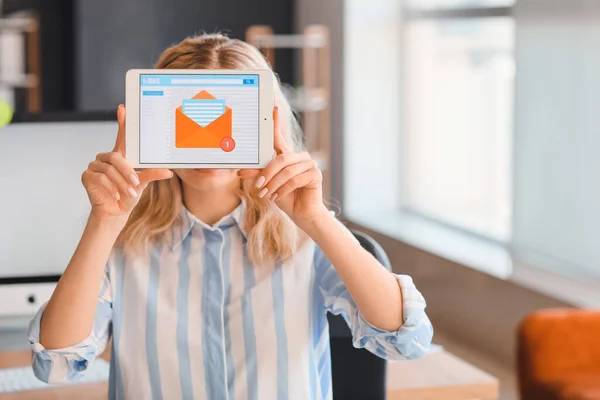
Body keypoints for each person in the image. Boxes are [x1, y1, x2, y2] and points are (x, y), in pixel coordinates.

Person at [28, 34, 433, 400]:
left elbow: (405, 341)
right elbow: (56, 366)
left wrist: (316, 220)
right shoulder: (119, 246)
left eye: (227, 117)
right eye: (190, 119)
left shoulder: (305, 239)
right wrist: (105, 222)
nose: (207, 143)